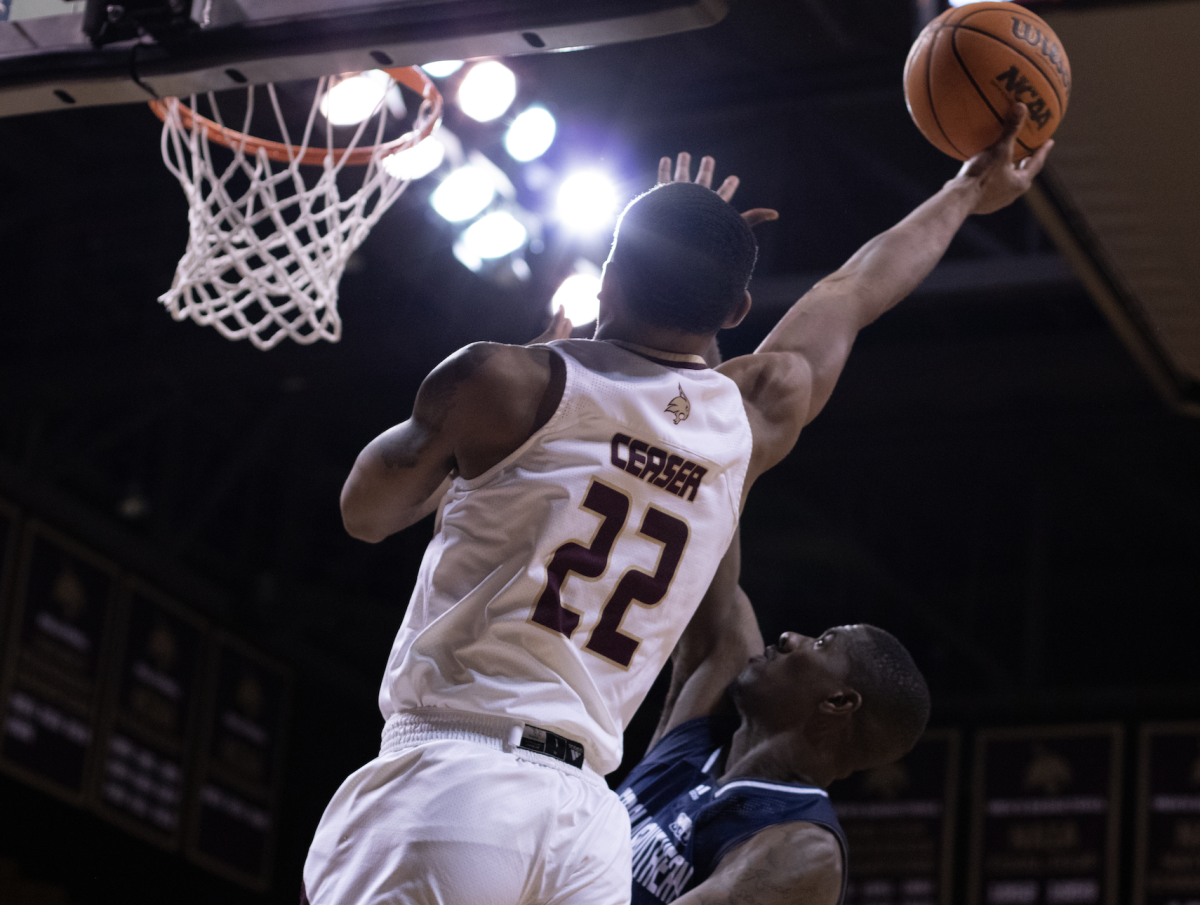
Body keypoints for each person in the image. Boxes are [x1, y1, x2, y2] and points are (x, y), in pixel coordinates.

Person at [302, 105, 1050, 905]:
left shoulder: (504, 381)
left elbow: (367, 513)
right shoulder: (750, 417)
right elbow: (854, 289)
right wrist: (966, 191)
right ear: (735, 313)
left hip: (455, 774)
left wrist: (514, 395)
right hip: (583, 830)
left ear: (608, 278)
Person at [617, 532, 929, 905]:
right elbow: (710, 533)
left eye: (821, 644)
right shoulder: (705, 733)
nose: (789, 637)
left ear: (838, 701)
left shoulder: (802, 848)